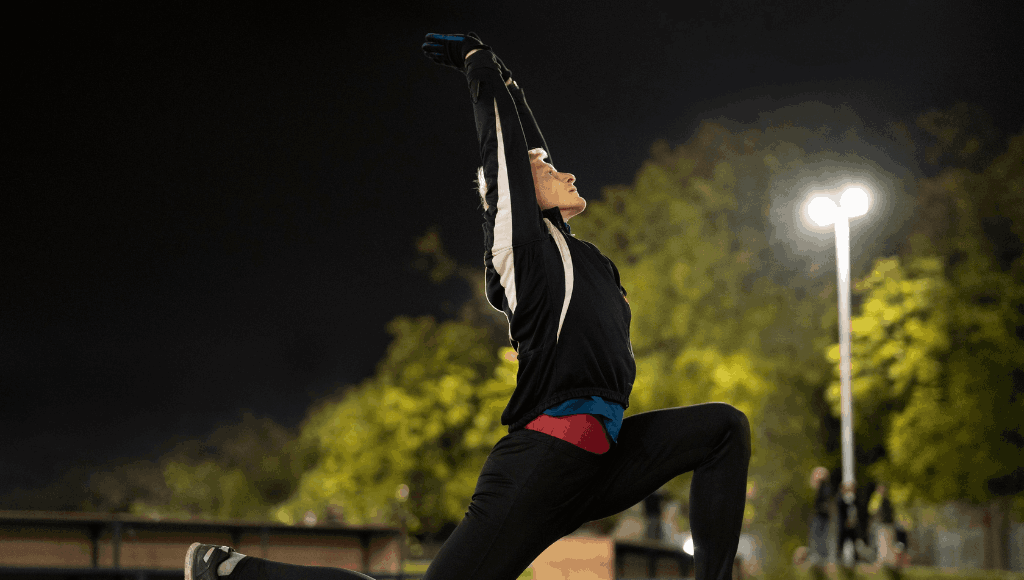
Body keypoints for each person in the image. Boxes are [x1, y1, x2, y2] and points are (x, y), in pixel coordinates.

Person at [184, 32, 751, 580]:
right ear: (517, 193)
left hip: (600, 459)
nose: (567, 172)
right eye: (548, 173)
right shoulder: (521, 252)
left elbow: (529, 148)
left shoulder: (589, 259)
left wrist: (510, 82)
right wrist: (478, 64)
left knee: (724, 428)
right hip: (542, 460)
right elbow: (505, 153)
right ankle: (231, 570)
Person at [807, 467, 831, 580]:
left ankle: (819, 559)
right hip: (819, 516)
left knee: (819, 537)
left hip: (821, 516)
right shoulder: (819, 488)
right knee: (817, 537)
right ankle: (818, 558)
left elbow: (824, 503)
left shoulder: (824, 488)